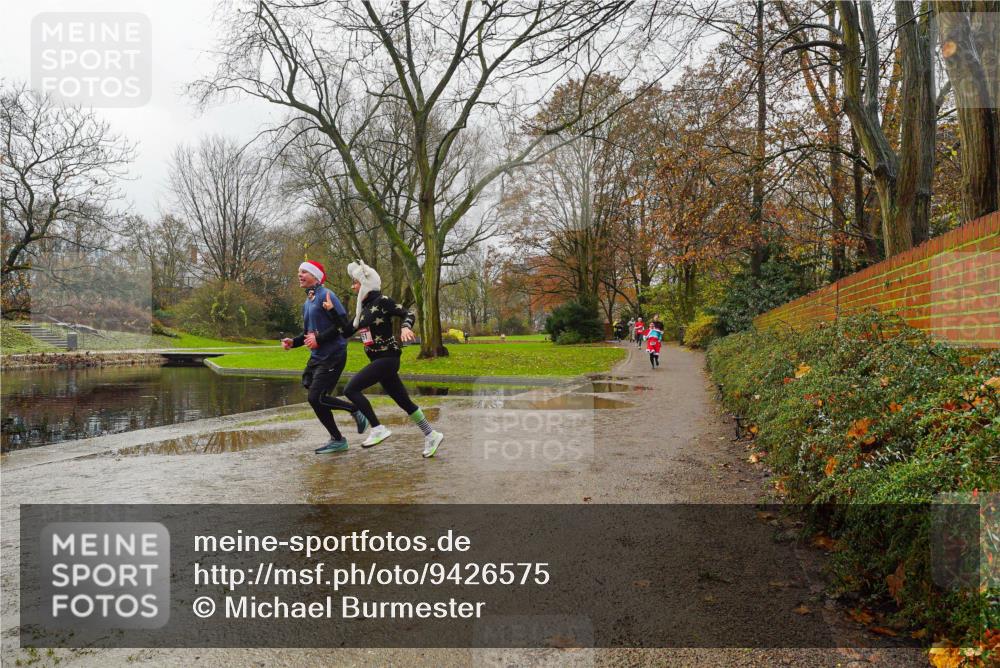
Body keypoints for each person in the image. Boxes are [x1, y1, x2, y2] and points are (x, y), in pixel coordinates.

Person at [322, 260, 444, 458]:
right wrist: (332, 311)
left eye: (355, 283)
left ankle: (377, 428)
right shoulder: (363, 310)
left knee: (351, 389)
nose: (352, 287)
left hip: (388, 358)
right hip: (378, 362)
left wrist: (405, 327)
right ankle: (431, 434)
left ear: (365, 284)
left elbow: (408, 313)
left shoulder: (382, 301)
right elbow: (345, 332)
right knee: (404, 402)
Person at [281, 260, 367, 454]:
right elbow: (308, 334)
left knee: (316, 397)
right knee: (316, 398)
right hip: (318, 357)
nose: (299, 275)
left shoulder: (327, 295)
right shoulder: (308, 301)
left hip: (333, 354)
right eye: (299, 271)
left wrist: (319, 339)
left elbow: (343, 325)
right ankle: (337, 439)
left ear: (315, 276)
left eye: (304, 272)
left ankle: (355, 410)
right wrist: (293, 342)